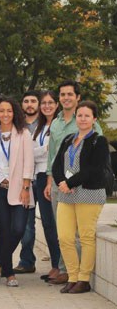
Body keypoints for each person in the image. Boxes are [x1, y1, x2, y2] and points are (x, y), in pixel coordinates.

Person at [44, 80, 103, 285]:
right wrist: (55, 181)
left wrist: (70, 182)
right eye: (62, 94)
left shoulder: (96, 133)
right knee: (64, 234)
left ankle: (80, 278)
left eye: (70, 94)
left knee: (83, 235)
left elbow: (95, 164)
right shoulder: (60, 127)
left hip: (85, 189)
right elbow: (54, 158)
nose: (66, 97)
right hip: (61, 187)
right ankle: (68, 272)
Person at [0, 96, 34, 287]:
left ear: (15, 113)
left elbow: (28, 162)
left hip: (19, 189)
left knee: (19, 229)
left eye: (9, 111)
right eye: (2, 111)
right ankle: (10, 273)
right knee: (3, 231)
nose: (5, 114)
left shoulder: (23, 134)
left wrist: (26, 187)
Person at [26, 91, 61, 281]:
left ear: (57, 105)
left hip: (51, 177)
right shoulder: (39, 127)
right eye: (44, 103)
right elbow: (35, 152)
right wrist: (42, 151)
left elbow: (52, 154)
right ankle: (56, 264)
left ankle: (59, 265)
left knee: (52, 223)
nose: (46, 106)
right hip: (37, 178)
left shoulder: (58, 126)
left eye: (50, 102)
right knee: (46, 224)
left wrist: (38, 152)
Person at [14, 90, 42, 274]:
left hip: (43, 176)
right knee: (27, 223)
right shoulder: (18, 126)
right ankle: (27, 260)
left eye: (33, 101)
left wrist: (32, 153)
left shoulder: (47, 124)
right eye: (26, 101)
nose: (30, 104)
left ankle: (58, 264)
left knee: (50, 222)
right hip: (24, 179)